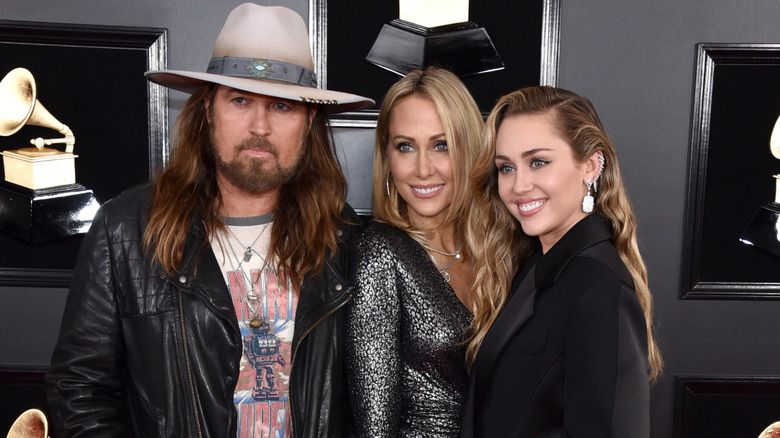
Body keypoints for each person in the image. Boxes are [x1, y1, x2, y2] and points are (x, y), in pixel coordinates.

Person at [44, 4, 373, 437]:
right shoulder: (125, 230)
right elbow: (79, 390)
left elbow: (365, 401)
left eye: (281, 105)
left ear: (309, 122)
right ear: (207, 111)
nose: (259, 126)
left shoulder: (344, 237)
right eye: (240, 100)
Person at [460, 86, 663, 437]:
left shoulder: (598, 286)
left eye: (538, 162)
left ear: (590, 165)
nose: (518, 185)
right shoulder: (538, 265)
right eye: (506, 168)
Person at [344, 66, 483, 437]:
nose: (423, 169)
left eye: (441, 146)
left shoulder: (497, 249)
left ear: (469, 149)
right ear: (386, 157)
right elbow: (375, 428)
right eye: (405, 147)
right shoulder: (380, 253)